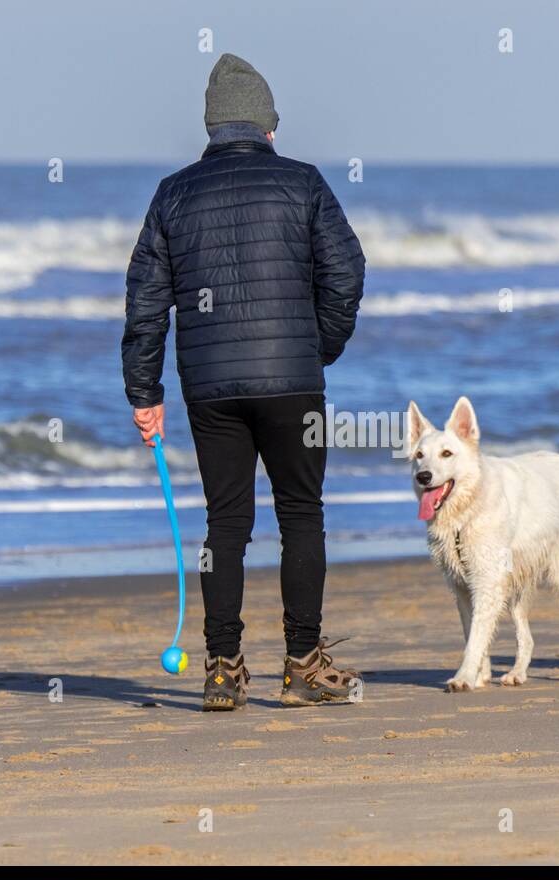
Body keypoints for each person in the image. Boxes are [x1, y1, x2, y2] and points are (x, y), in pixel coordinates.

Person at [122, 53, 366, 712]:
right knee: (302, 515)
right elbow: (346, 271)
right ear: (267, 127)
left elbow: (145, 302)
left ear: (212, 127)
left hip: (210, 388)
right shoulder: (304, 183)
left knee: (225, 524)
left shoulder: (174, 193)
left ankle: (223, 668)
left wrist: (144, 394)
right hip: (293, 382)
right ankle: (303, 663)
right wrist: (321, 346)